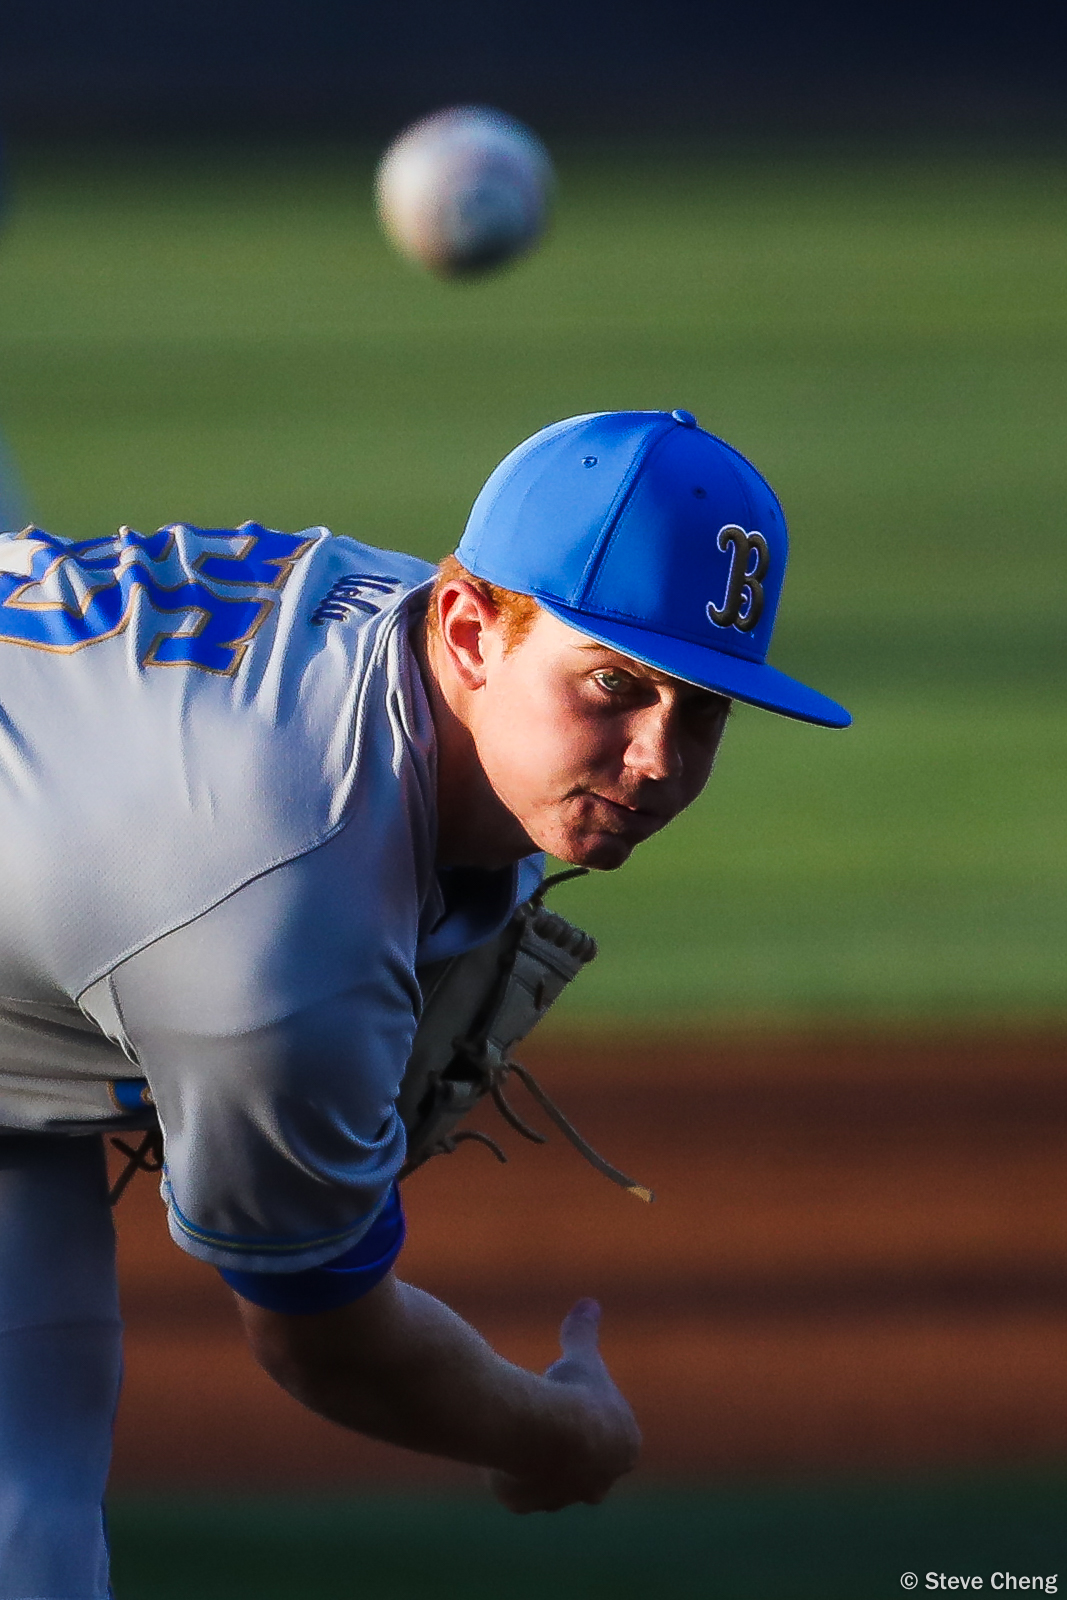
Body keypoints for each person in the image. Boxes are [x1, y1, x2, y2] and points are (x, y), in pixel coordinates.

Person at [0, 407, 848, 1598]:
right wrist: (556, 1434)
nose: (658, 759)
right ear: (466, 629)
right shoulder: (283, 911)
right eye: (615, 684)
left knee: (30, 1513)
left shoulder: (403, 640)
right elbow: (323, 1337)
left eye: (702, 707)